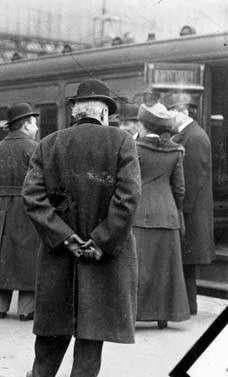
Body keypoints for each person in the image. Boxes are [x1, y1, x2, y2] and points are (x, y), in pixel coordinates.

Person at [22, 79, 141, 377]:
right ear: (104, 113)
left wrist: (66, 238)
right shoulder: (122, 142)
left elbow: (33, 198)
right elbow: (128, 198)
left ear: (75, 111)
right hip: (103, 264)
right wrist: (100, 241)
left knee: (48, 347)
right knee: (89, 347)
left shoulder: (48, 144)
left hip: (58, 259)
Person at [134, 104, 190, 329]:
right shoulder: (176, 151)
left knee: (140, 267)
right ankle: (163, 316)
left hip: (139, 215)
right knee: (166, 269)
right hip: (168, 215)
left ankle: (136, 314)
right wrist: (176, 211)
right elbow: (180, 189)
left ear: (143, 125)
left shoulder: (134, 148)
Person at [0, 103, 41, 321]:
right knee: (27, 257)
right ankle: (26, 310)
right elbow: (41, 183)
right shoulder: (34, 148)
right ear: (26, 124)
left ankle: (0, 307)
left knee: (4, 257)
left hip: (2, 207)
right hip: (28, 207)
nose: (36, 128)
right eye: (34, 123)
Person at [165, 92, 215, 315]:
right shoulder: (190, 134)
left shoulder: (194, 137)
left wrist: (181, 210)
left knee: (187, 262)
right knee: (186, 263)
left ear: (182, 112)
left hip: (190, 213)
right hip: (191, 212)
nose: (169, 117)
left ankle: (189, 307)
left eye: (171, 113)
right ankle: (188, 306)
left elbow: (193, 180)